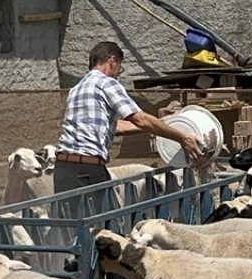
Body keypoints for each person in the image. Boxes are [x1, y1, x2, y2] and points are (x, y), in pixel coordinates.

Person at [53, 41, 203, 194]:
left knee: (68, 216)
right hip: (88, 169)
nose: (119, 73)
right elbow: (141, 119)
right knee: (104, 217)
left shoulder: (76, 89)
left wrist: (164, 123)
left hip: (62, 169)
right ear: (112, 61)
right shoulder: (106, 83)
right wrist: (182, 137)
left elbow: (114, 126)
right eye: (120, 68)